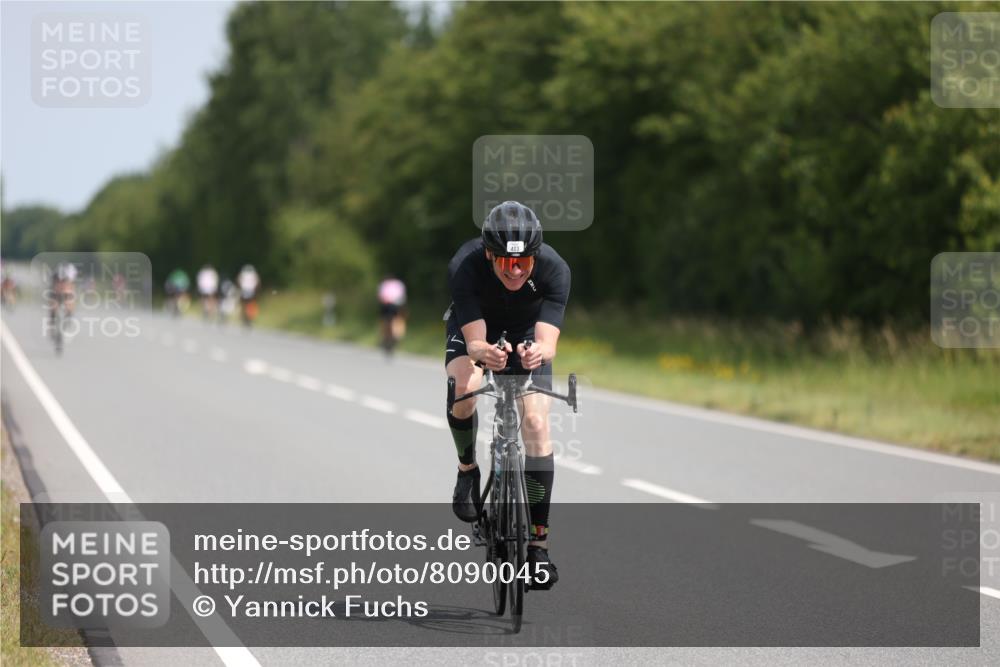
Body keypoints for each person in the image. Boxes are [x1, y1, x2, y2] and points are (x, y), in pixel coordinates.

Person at [444, 200, 570, 590]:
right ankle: (468, 470)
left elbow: (549, 342)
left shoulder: (554, 269)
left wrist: (538, 352)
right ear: (489, 255)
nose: (514, 272)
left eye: (523, 264)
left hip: (527, 334)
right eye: (504, 264)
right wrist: (482, 353)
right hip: (476, 331)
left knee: (535, 422)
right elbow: (475, 340)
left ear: (534, 258)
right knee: (464, 389)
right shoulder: (465, 266)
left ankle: (538, 546)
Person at [377, 274, 407, 356]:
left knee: (389, 321)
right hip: (392, 306)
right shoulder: (397, 284)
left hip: (391, 306)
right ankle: (390, 337)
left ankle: (389, 337)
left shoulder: (386, 284)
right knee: (390, 321)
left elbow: (381, 296)